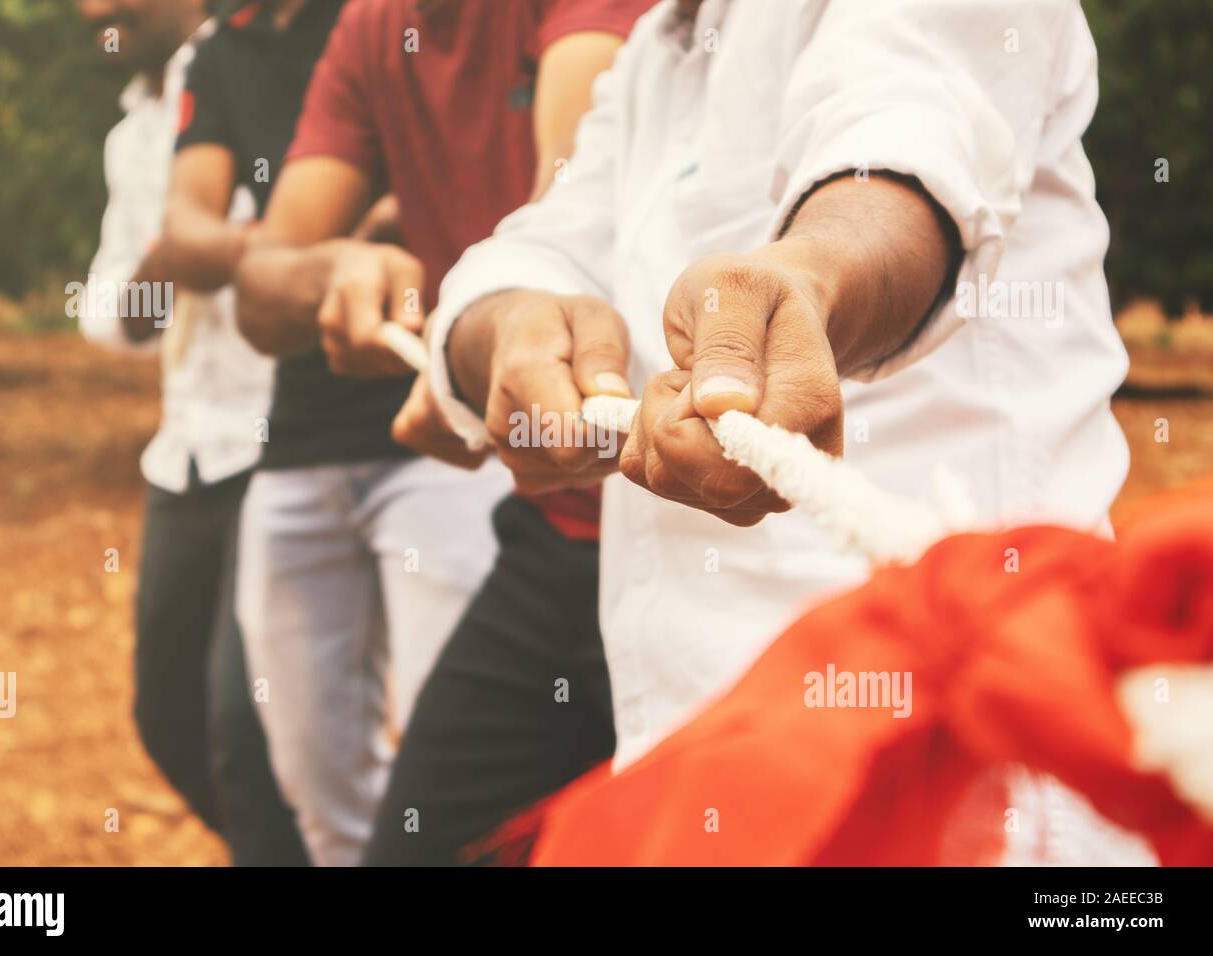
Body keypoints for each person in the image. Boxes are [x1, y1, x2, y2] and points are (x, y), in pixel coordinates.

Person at [413, 0, 1147, 863]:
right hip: (699, 763)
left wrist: (807, 280)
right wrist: (505, 329)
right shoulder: (655, 53)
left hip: (949, 782)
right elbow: (541, 243)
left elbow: (905, 140)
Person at [234, 0, 653, 866]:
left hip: (692, 526)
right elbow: (264, 284)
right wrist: (333, 266)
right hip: (556, 535)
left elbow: (565, 217)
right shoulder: (371, 30)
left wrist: (481, 338)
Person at [75, 0, 306, 865]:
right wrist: (163, 265)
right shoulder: (133, 134)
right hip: (189, 452)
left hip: (286, 442)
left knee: (244, 728)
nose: (96, 11)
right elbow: (110, 309)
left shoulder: (272, 65)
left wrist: (231, 248)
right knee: (168, 717)